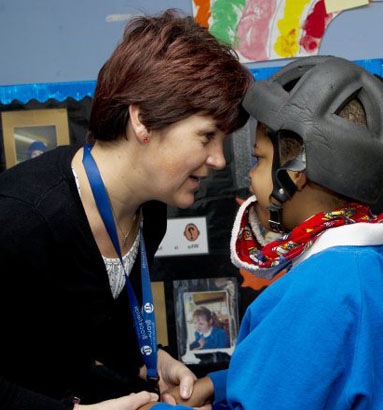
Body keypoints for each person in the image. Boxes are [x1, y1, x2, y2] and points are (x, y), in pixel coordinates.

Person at [153, 56, 383, 409]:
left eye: (258, 160)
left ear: (295, 171)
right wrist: (217, 384)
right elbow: (320, 371)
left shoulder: (320, 288)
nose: (250, 177)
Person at [0, 9, 251, 410]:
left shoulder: (149, 210)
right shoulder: (22, 218)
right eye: (207, 136)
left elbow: (98, 321)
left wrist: (152, 361)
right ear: (143, 120)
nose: (219, 159)